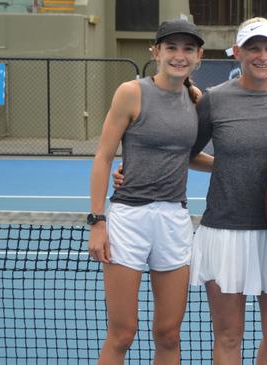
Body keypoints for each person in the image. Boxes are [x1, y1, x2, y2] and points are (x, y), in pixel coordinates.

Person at [87, 19, 211, 364]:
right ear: (156, 52)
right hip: (129, 219)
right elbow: (104, 156)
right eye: (171, 47)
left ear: (198, 56)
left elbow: (186, 155)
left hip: (174, 220)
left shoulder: (196, 99)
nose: (179, 55)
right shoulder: (131, 92)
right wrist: (97, 221)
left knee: (169, 334)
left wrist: (222, 164)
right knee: (122, 334)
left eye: (188, 49)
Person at [188, 18, 267, 365]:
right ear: (237, 52)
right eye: (253, 47)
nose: (261, 55)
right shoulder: (214, 101)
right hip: (224, 232)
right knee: (228, 335)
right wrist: (220, 166)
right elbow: (186, 152)